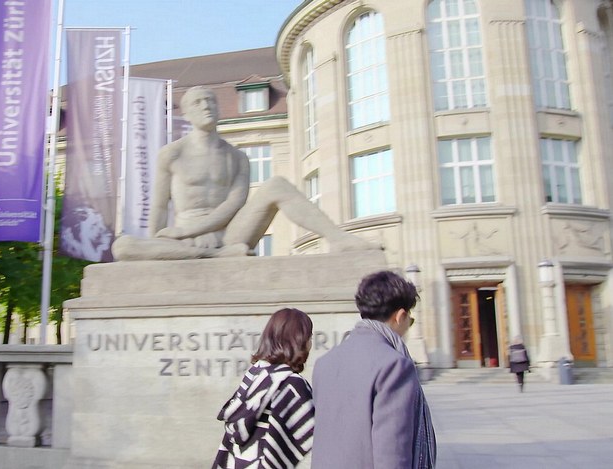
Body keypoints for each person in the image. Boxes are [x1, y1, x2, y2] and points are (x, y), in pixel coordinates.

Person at [113, 86, 377, 261]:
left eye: (211, 100)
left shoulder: (237, 157)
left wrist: (187, 232)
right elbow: (159, 207)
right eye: (197, 102)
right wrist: (159, 247)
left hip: (229, 235)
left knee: (277, 184)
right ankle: (213, 256)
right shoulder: (172, 154)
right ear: (188, 114)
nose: (206, 106)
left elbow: (233, 205)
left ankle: (338, 238)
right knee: (122, 246)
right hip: (184, 239)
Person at [311, 270, 436, 469]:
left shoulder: (325, 363)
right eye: (410, 321)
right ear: (400, 316)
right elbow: (392, 455)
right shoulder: (394, 365)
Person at [212, 308, 315, 469]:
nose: (310, 343)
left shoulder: (255, 375)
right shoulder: (292, 384)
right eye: (309, 337)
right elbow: (311, 440)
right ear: (299, 341)